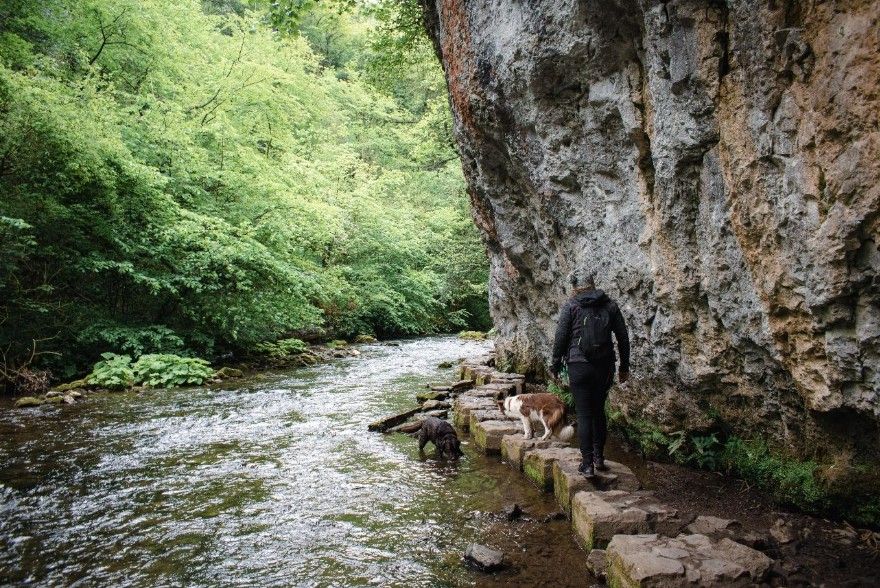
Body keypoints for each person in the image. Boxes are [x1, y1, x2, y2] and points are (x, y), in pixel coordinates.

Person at [550, 269, 630, 478]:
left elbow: (560, 338)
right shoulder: (609, 305)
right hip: (603, 367)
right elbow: (623, 337)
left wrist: (555, 366)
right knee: (598, 411)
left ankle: (587, 465)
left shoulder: (571, 305)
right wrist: (624, 368)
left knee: (584, 414)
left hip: (578, 366)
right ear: (593, 284)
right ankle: (599, 458)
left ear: (575, 286)